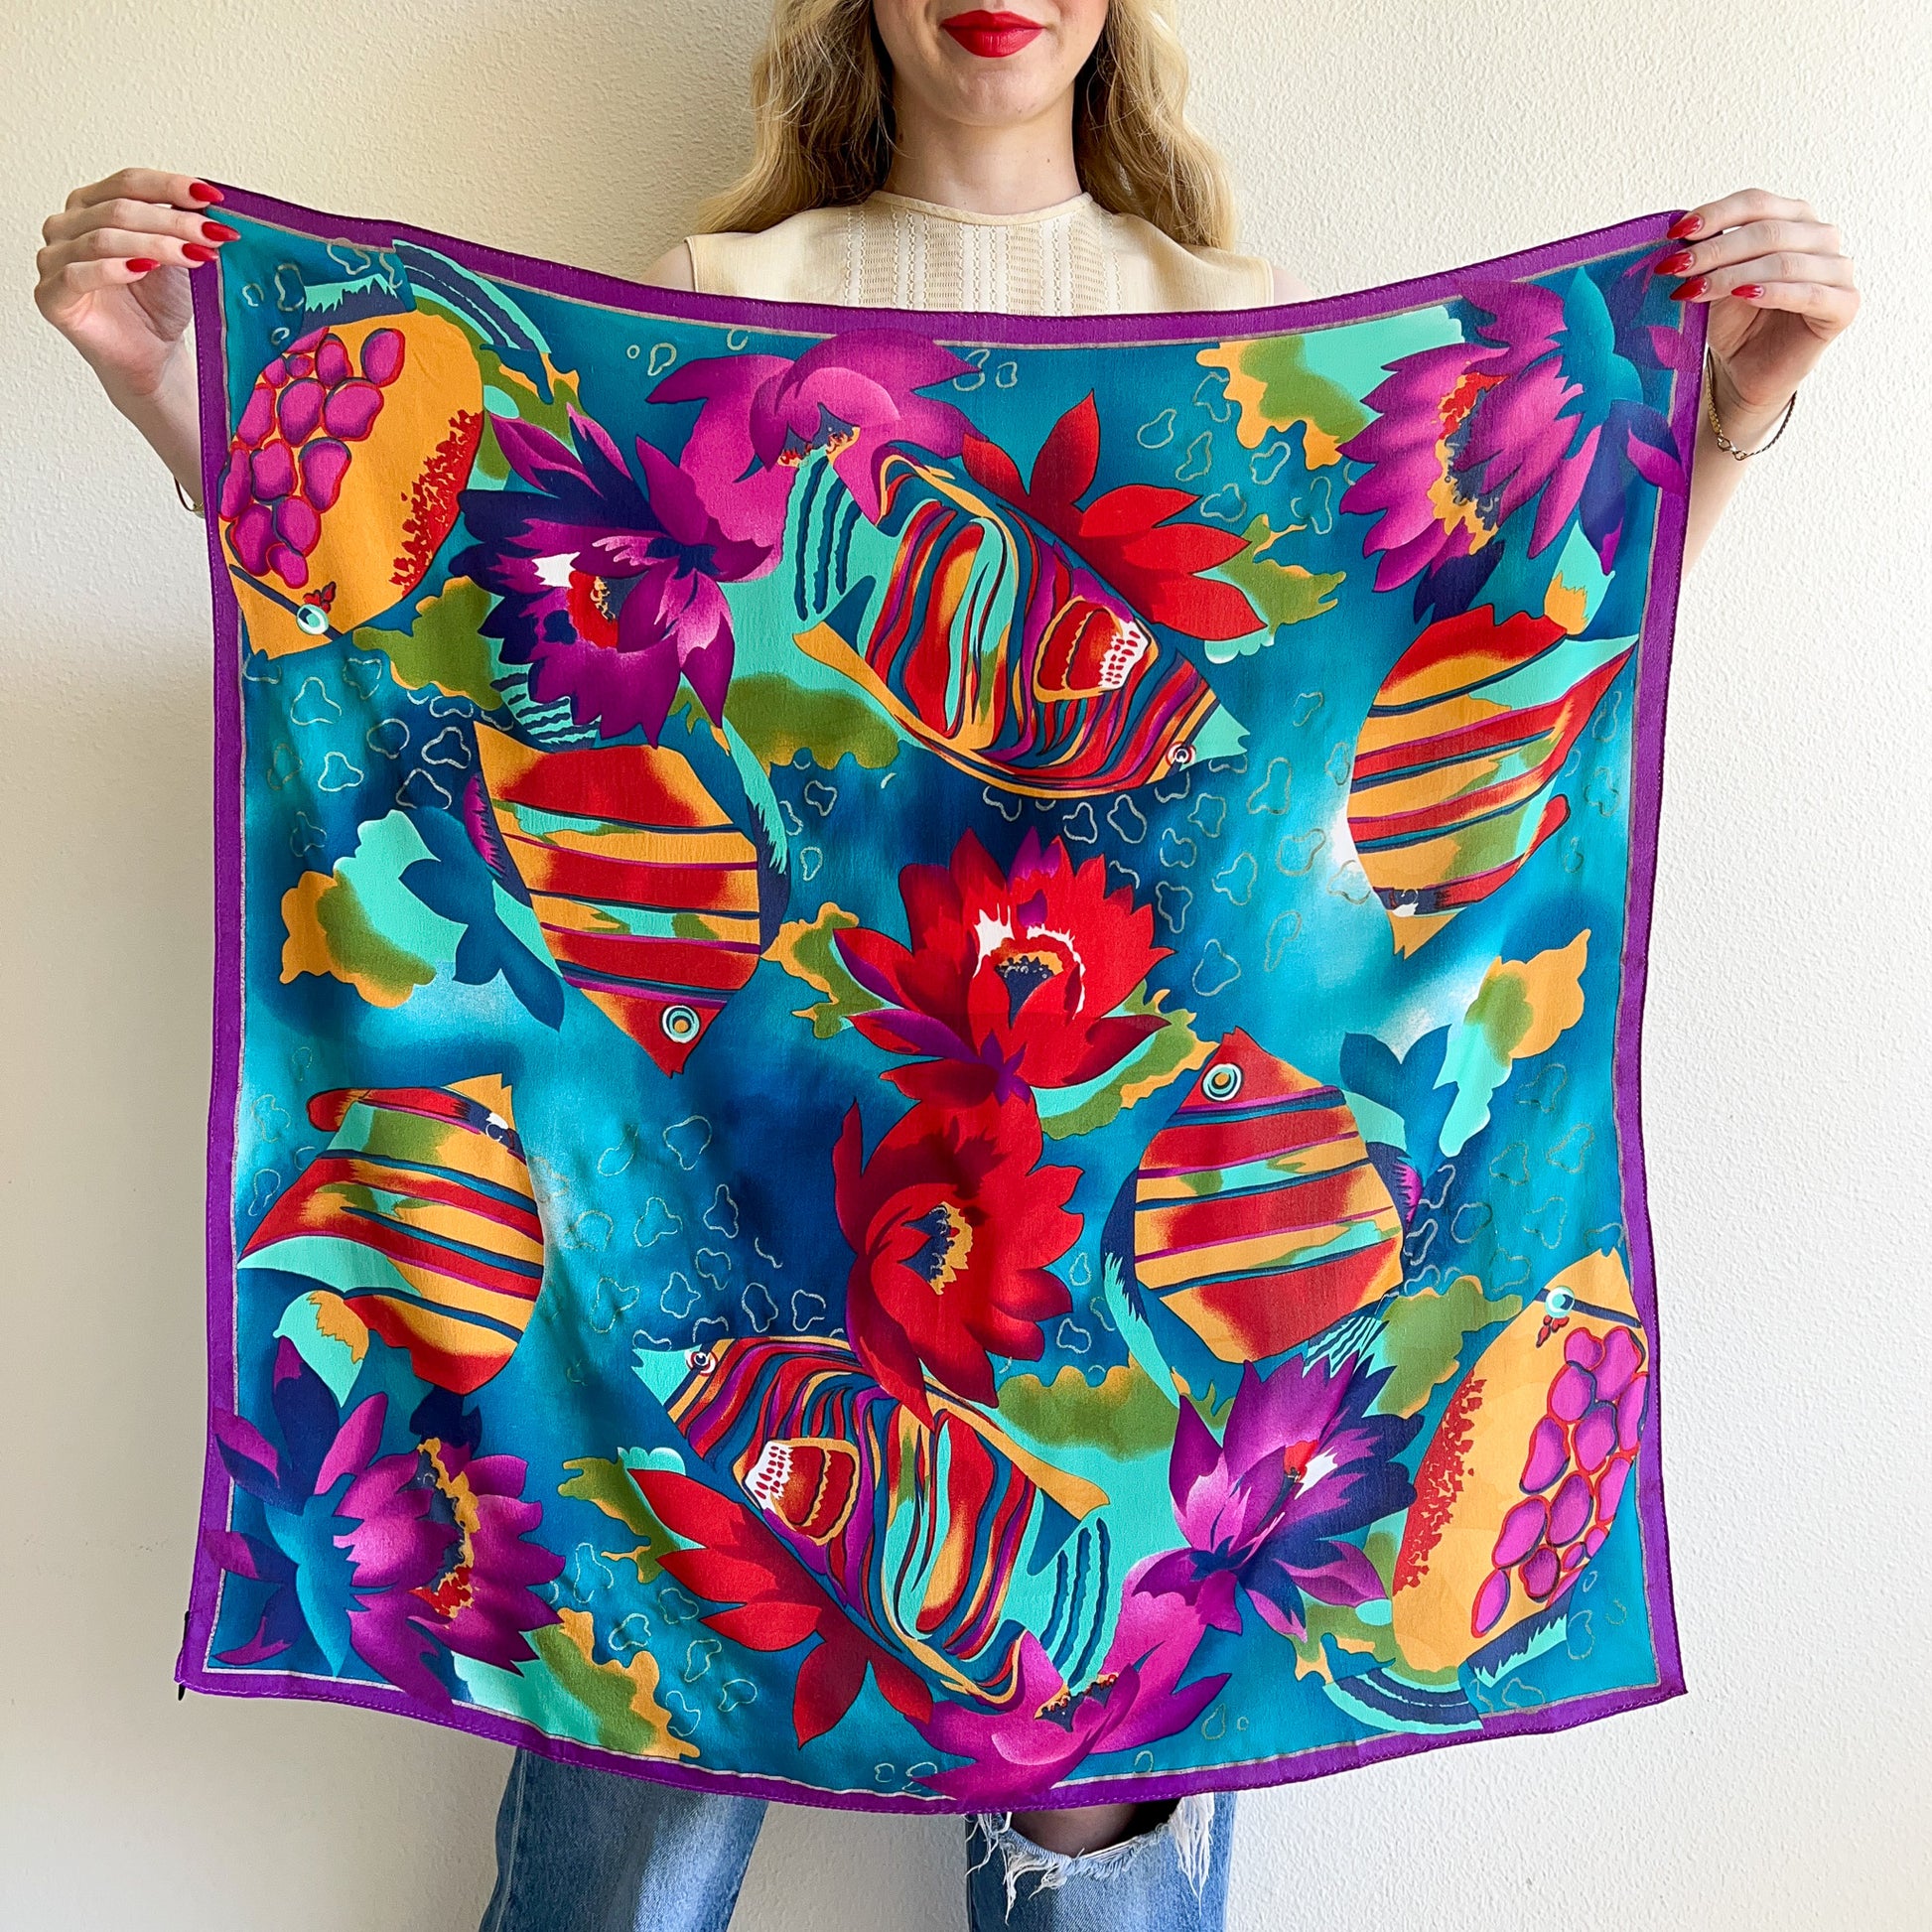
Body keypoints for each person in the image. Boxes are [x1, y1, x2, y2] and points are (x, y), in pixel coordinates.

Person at [33, 2, 1859, 1926]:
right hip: (731, 1189)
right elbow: (461, 632)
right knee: (638, 1778)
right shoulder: (709, 306)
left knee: (1099, 1844)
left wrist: (1722, 411)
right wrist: (178, 391)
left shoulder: (1255, 332)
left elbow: (1489, 682)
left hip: (1121, 1244)